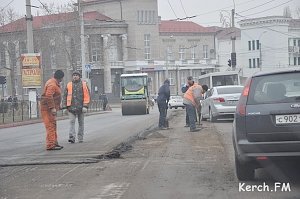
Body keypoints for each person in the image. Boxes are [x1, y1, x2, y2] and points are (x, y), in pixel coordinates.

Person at [62, 71, 90, 143]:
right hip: (71, 108)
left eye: (76, 75)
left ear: (79, 76)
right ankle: (72, 137)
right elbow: (64, 96)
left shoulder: (84, 85)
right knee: (72, 121)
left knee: (81, 123)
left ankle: (80, 138)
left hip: (81, 108)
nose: (75, 76)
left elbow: (87, 96)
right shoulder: (69, 85)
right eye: (74, 75)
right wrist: (64, 107)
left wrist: (85, 106)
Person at [40, 70, 64, 150]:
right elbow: (49, 96)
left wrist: (57, 106)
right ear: (60, 78)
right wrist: (52, 108)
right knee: (50, 126)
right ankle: (50, 145)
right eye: (62, 78)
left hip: (49, 108)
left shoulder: (53, 82)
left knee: (53, 125)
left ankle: (54, 142)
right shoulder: (52, 84)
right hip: (47, 109)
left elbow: (54, 97)